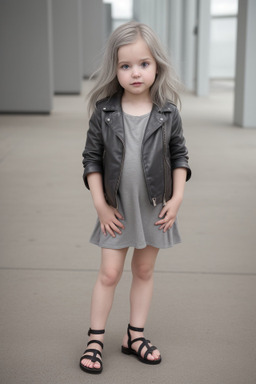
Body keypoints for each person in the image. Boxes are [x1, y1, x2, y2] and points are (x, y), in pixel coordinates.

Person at [80, 21, 191, 374]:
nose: (135, 73)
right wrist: (100, 205)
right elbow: (91, 159)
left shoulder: (168, 112)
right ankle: (95, 339)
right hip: (117, 208)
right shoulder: (105, 111)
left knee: (143, 270)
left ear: (157, 65)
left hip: (155, 206)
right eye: (125, 66)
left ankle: (134, 335)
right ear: (116, 70)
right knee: (110, 273)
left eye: (143, 64)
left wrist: (176, 200)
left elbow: (180, 156)